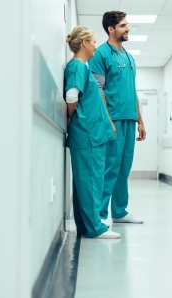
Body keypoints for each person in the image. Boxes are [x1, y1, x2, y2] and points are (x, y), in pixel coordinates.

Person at [88, 10, 145, 226]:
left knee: (124, 167)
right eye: (123, 25)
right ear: (111, 29)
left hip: (129, 119)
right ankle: (100, 215)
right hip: (112, 120)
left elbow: (133, 90)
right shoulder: (101, 54)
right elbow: (98, 91)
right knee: (110, 167)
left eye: (127, 24)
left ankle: (120, 211)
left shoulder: (129, 57)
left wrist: (140, 120)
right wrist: (108, 121)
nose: (127, 28)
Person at [64, 26, 120, 239]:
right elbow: (71, 96)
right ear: (84, 43)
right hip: (88, 133)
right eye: (94, 41)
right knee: (91, 181)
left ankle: (87, 227)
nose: (96, 45)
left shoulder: (81, 67)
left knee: (85, 182)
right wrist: (72, 118)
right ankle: (95, 227)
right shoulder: (78, 65)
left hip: (89, 133)